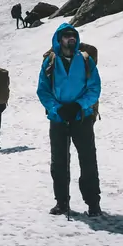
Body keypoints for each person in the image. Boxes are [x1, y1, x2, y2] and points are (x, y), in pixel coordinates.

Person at [37, 23, 102, 217]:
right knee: (59, 161)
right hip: (58, 119)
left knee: (88, 160)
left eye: (73, 35)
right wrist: (57, 109)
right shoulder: (50, 61)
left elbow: (94, 87)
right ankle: (62, 203)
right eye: (66, 35)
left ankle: (93, 203)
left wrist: (78, 105)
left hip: (82, 117)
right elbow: (43, 90)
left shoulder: (85, 59)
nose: (71, 38)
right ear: (59, 39)